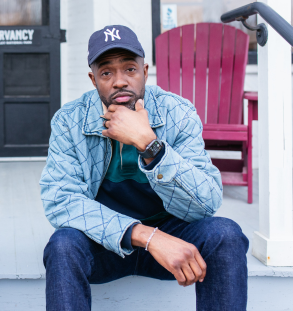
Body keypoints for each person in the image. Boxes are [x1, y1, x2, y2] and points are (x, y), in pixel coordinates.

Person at [40, 25, 248, 311]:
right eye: (106, 73)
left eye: (129, 69)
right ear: (93, 79)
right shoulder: (69, 121)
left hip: (173, 240)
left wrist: (149, 144)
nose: (119, 82)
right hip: (106, 244)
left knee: (226, 234)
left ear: (145, 72)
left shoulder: (177, 112)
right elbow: (61, 201)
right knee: (62, 246)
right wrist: (148, 236)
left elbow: (207, 202)